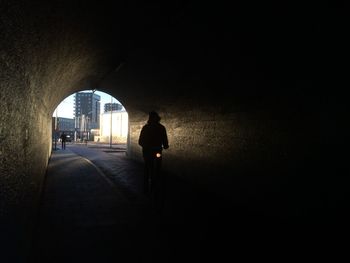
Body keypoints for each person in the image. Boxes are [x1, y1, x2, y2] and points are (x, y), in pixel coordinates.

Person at [138, 111, 169, 209]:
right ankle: (149, 184)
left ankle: (148, 185)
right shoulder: (159, 128)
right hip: (151, 150)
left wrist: (165, 144)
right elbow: (141, 140)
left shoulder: (149, 128)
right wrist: (165, 145)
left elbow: (141, 141)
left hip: (151, 151)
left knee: (152, 166)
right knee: (149, 166)